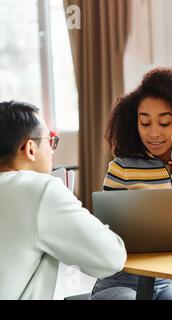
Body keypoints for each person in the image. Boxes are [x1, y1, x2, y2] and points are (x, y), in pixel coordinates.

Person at [90, 67, 172, 300]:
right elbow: (107, 228)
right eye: (145, 123)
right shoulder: (122, 167)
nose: (153, 133)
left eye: (164, 124)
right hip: (119, 280)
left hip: (170, 281)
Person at [0, 101, 126, 300]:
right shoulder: (40, 189)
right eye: (50, 140)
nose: (52, 150)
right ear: (30, 148)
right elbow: (111, 258)